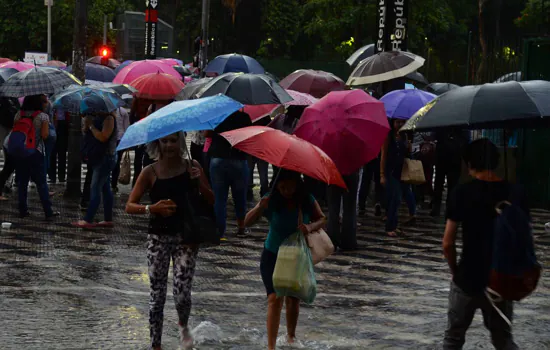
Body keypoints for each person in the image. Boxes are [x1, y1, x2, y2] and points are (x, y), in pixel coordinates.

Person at [125, 132, 213, 350]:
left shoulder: (192, 166)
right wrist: (151, 208)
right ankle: (156, 344)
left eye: (174, 140)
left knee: (182, 292)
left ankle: (183, 325)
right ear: (158, 144)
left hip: (187, 237)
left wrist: (199, 182)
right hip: (158, 238)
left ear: (181, 142)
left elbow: (212, 199)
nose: (169, 145)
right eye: (164, 141)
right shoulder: (150, 171)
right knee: (157, 295)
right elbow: (130, 205)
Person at [442, 138, 524, 350]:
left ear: (469, 164)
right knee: (503, 339)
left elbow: (447, 243)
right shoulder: (514, 193)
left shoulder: (461, 192)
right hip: (500, 280)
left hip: (467, 277)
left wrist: (455, 271)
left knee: (453, 339)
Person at [244, 170, 326, 350]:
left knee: (293, 298)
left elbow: (322, 218)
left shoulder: (306, 199)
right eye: (282, 187)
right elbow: (246, 222)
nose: (286, 191)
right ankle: (271, 347)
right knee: (274, 298)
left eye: (290, 187)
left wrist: (309, 226)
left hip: (295, 256)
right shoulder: (271, 198)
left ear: (297, 184)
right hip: (272, 254)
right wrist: (259, 207)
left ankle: (290, 336)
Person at [207, 110, 252, 238]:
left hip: (218, 158)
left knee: (220, 198)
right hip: (238, 158)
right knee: (240, 196)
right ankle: (241, 227)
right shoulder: (244, 116)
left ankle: (219, 231)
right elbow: (248, 136)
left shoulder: (217, 114)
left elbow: (206, 133)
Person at [13, 94, 59, 220]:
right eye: (43, 101)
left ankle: (22, 210)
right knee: (41, 183)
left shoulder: (19, 114)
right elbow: (45, 135)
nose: (45, 103)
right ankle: (48, 212)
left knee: (22, 182)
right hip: (36, 152)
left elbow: (15, 131)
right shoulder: (42, 116)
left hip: (21, 152)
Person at [72, 107, 117, 228]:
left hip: (105, 158)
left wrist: (91, 126)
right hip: (98, 157)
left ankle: (88, 219)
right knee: (105, 188)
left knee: (95, 187)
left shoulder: (109, 118)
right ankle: (108, 219)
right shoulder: (97, 117)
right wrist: (86, 125)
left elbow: (103, 137)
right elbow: (88, 134)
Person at [380, 118, 416, 237]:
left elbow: (407, 154)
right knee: (395, 198)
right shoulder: (388, 136)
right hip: (391, 171)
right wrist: (382, 175)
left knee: (399, 199)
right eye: (398, 122)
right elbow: (383, 156)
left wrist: (409, 146)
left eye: (402, 122)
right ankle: (390, 227)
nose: (400, 124)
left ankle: (395, 225)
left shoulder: (404, 136)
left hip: (402, 172)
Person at [431, 129, 470, 217]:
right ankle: (439, 208)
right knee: (443, 184)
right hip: (447, 158)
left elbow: (466, 141)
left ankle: (442, 208)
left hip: (452, 158)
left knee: (447, 185)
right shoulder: (461, 124)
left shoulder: (459, 125)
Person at [247, 115, 271, 201]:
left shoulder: (248, 116)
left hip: (250, 147)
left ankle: (248, 193)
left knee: (249, 172)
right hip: (262, 148)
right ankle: (264, 193)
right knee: (263, 173)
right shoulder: (265, 117)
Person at [111, 106, 130, 193]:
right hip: (119, 139)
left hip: (112, 139)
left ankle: (111, 183)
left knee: (112, 161)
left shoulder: (108, 111)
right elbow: (126, 127)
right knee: (116, 162)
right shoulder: (123, 111)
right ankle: (113, 185)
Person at [48, 108, 69, 184]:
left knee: (62, 153)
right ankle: (52, 176)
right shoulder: (51, 103)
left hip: (63, 125)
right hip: (52, 125)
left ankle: (61, 177)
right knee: (52, 153)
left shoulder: (66, 103)